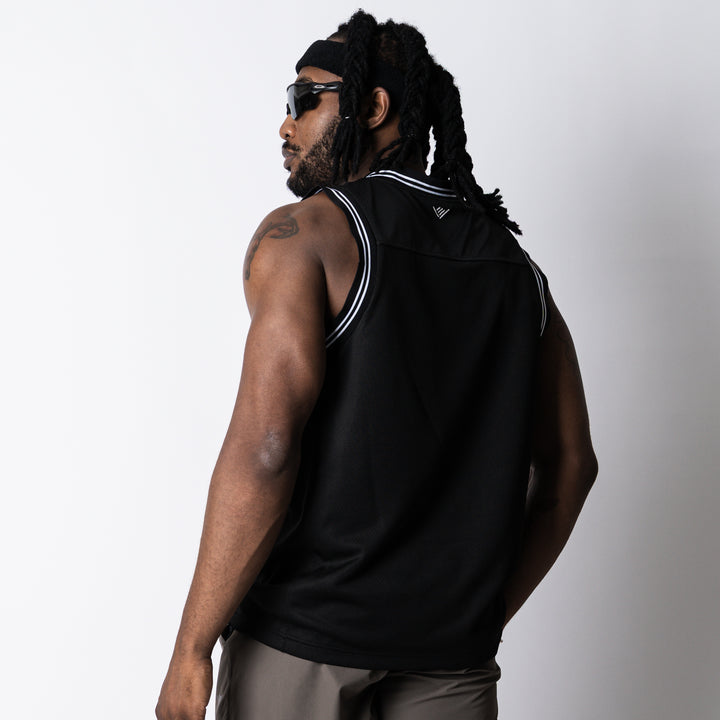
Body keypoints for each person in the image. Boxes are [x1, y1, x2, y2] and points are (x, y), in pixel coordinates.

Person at [156, 10, 597, 720]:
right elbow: (572, 466)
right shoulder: (516, 271)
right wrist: (479, 613)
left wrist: (190, 648)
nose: (286, 125)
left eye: (305, 99)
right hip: (451, 661)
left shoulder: (307, 238)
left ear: (372, 106)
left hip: (305, 642)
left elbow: (267, 449)